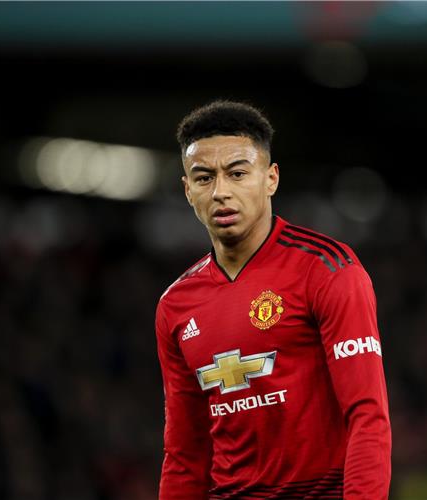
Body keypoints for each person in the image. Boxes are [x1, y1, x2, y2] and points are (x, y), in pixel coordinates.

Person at [155, 100, 391, 499]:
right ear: (188, 190)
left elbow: (367, 417)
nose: (221, 192)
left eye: (237, 173)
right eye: (204, 178)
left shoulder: (327, 270)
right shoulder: (175, 305)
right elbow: (184, 454)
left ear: (271, 179)